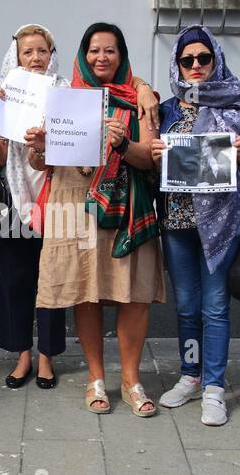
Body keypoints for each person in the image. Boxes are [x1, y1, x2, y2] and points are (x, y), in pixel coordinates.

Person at [29, 22, 165, 416]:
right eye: (94, 50)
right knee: (86, 292)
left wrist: (123, 143)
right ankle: (95, 377)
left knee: (133, 294)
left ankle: (131, 380)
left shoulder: (142, 100)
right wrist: (40, 148)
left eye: (110, 50)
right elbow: (44, 161)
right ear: (83, 55)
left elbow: (150, 161)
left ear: (121, 56)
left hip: (128, 205)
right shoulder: (64, 99)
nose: (101, 58)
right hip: (73, 200)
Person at [150, 25, 240, 425]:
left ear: (216, 59)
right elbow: (152, 163)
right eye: (188, 60)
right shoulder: (166, 109)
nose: (196, 66)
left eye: (204, 58)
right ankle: (190, 375)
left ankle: (215, 386)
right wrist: (153, 153)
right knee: (186, 306)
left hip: (221, 222)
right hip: (177, 220)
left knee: (215, 307)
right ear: (178, 65)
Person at [0, 24, 68, 389]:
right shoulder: (8, 91)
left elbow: (75, 145)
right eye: (27, 52)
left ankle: (47, 357)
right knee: (15, 277)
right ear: (16, 56)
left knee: (51, 278)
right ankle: (22, 355)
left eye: (42, 50)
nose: (35, 58)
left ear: (52, 53)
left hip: (54, 195)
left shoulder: (66, 91)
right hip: (13, 197)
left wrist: (47, 141)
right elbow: (1, 156)